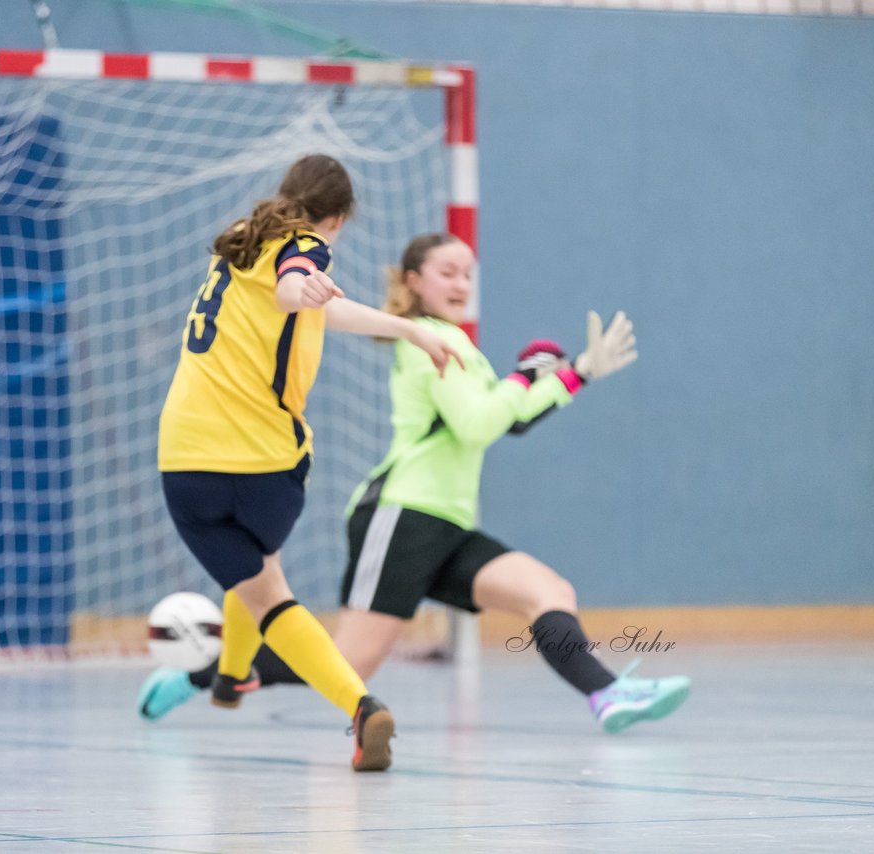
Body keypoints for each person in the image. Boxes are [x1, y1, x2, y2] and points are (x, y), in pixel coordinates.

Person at [142, 232, 690, 734]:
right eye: (447, 272)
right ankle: (197, 676)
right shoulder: (426, 339)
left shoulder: (459, 346)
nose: (461, 283)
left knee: (550, 593)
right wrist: (531, 375)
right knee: (346, 663)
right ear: (413, 282)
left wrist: (579, 371)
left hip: (450, 524)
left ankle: (608, 696)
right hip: (402, 518)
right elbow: (478, 424)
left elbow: (511, 417)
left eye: (468, 274)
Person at [157, 157, 464, 771]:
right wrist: (306, 284)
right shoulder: (301, 245)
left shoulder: (236, 249)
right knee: (266, 586)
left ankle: (233, 676)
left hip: (187, 459)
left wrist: (408, 330)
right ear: (338, 219)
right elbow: (297, 281)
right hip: (269, 464)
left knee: (251, 577)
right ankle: (358, 707)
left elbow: (308, 299)